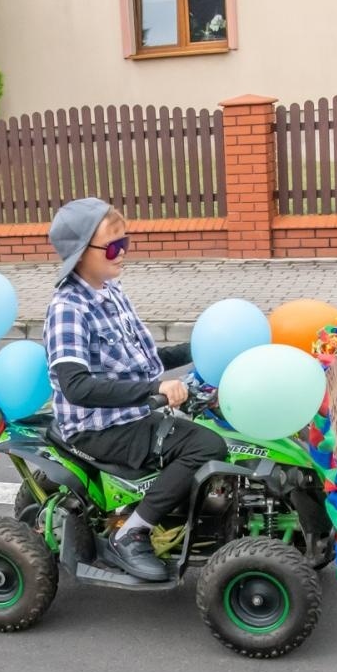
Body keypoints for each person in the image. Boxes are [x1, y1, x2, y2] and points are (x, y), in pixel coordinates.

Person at [44, 197, 227, 582]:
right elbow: (75, 386)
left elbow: (142, 361)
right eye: (113, 246)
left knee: (224, 421)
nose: (122, 253)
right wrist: (154, 389)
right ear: (80, 254)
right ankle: (130, 532)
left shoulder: (111, 291)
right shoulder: (69, 308)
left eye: (125, 243)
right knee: (205, 446)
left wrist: (205, 349)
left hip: (135, 410)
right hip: (100, 427)